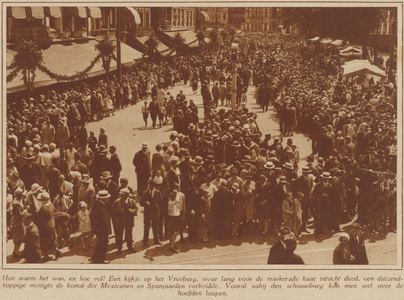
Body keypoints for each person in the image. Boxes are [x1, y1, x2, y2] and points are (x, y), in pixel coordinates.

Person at [111, 188, 138, 254]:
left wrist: (132, 211)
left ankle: (130, 247)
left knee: (129, 234)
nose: (121, 196)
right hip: (120, 221)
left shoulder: (131, 201)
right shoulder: (117, 201)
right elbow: (112, 210)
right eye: (121, 194)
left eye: (123, 194)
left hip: (129, 220)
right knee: (119, 234)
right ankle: (119, 248)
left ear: (127, 195)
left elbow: (136, 208)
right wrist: (119, 211)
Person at [37, 192, 60, 261]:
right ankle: (56, 250)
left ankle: (46, 255)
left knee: (44, 241)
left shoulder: (43, 209)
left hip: (45, 227)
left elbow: (40, 219)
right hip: (52, 226)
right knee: (52, 240)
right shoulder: (51, 205)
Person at [90, 190, 111, 264]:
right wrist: (107, 231)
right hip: (103, 230)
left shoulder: (96, 205)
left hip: (97, 229)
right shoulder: (102, 208)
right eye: (107, 198)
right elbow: (104, 221)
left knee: (99, 243)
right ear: (103, 199)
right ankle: (101, 260)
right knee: (103, 244)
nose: (108, 199)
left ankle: (95, 257)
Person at [139, 179, 162, 247]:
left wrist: (157, 208)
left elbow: (161, 201)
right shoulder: (145, 193)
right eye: (149, 185)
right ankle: (145, 241)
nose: (150, 187)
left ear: (154, 186)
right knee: (146, 227)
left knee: (156, 227)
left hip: (155, 212)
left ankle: (156, 240)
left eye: (151, 185)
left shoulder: (158, 192)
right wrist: (145, 203)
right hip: (147, 213)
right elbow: (140, 203)